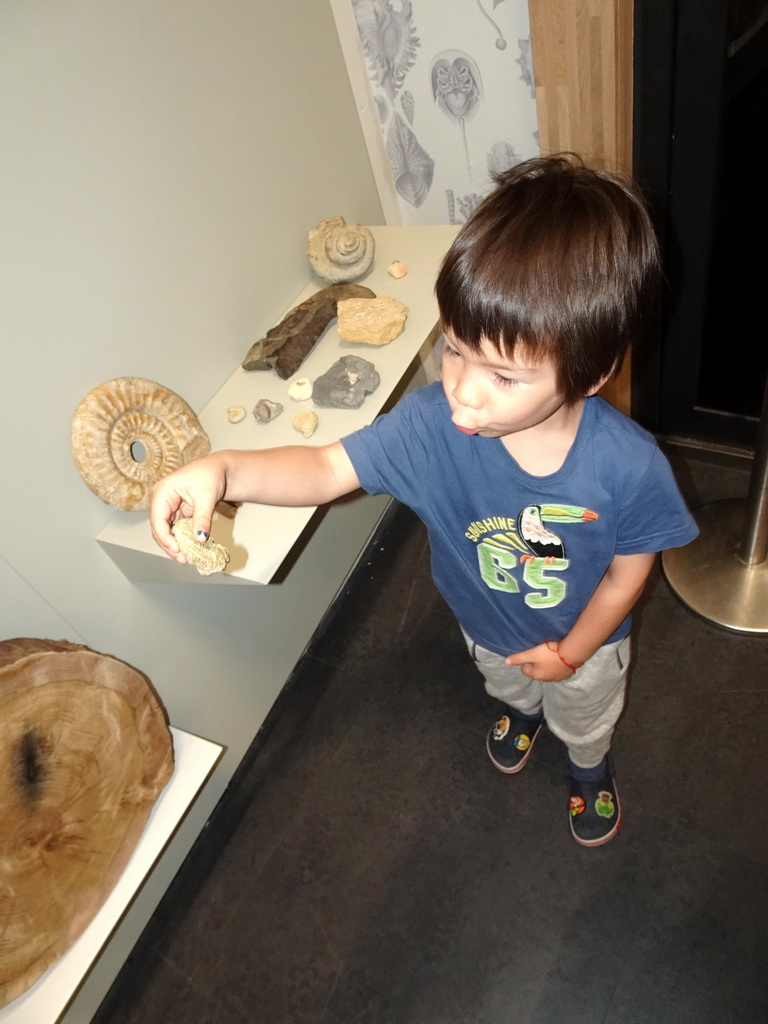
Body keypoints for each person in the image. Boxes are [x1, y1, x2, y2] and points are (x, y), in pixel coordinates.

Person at [150, 153, 698, 848]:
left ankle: (588, 767)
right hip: (483, 620)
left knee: (584, 715)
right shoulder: (429, 424)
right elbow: (324, 468)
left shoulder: (630, 467)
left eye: (503, 375)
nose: (464, 390)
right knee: (505, 683)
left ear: (591, 373)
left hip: (587, 645)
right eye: (455, 349)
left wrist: (572, 651)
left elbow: (630, 572)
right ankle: (520, 714)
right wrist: (223, 471)